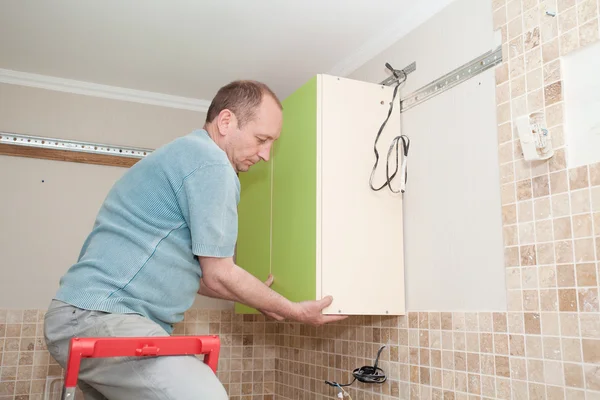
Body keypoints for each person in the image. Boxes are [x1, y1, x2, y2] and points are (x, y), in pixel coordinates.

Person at [43, 80, 347, 400]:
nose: (266, 154)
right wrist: (295, 311)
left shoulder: (186, 155)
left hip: (84, 317)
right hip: (102, 317)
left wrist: (257, 296)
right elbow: (220, 274)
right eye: (261, 139)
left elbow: (204, 279)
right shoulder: (211, 161)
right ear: (226, 122)